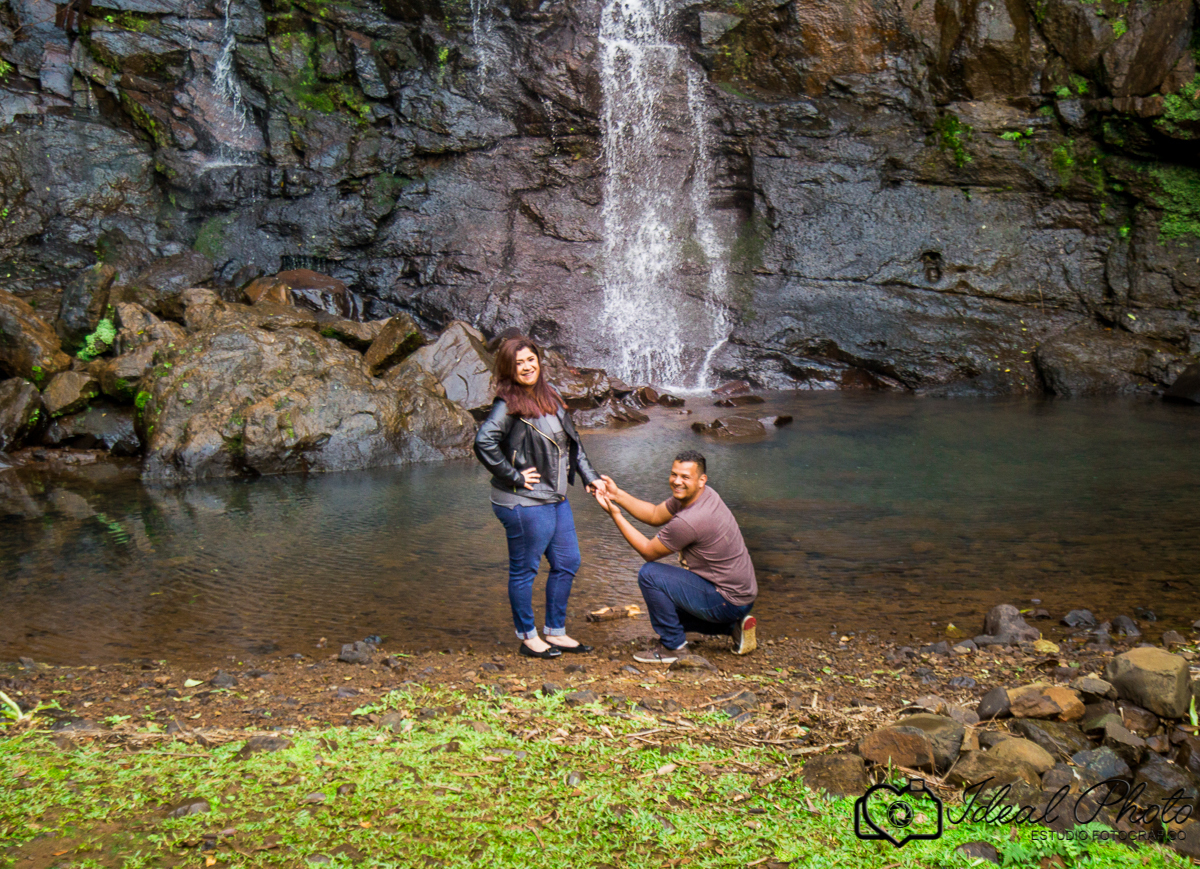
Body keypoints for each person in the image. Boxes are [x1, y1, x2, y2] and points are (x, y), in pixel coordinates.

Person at [474, 335, 606, 659]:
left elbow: (573, 444)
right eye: (518, 363)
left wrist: (590, 478)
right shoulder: (507, 405)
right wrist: (515, 476)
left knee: (567, 561)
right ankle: (528, 636)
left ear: (538, 361)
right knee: (525, 570)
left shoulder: (551, 395)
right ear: (509, 368)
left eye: (530, 359)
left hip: (555, 497)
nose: (526, 366)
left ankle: (555, 632)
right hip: (524, 501)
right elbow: (483, 443)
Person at [593, 450, 757, 664]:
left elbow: (648, 552)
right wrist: (617, 495)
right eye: (674, 474)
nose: (677, 482)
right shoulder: (703, 495)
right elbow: (654, 514)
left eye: (685, 477)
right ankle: (734, 627)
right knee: (667, 614)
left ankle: (674, 647)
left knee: (650, 575)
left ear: (701, 480)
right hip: (742, 596)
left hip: (726, 600)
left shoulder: (690, 520)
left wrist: (615, 514)